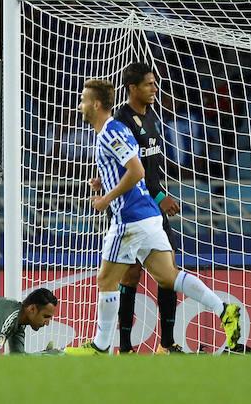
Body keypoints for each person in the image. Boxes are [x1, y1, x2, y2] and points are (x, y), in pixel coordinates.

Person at [64, 79, 241, 355]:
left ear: (96, 104)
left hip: (129, 219)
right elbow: (126, 168)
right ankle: (224, 310)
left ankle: (100, 346)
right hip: (148, 216)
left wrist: (106, 199)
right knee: (169, 277)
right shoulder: (117, 129)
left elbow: (137, 172)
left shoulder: (110, 133)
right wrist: (105, 182)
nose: (80, 105)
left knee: (106, 280)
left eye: (84, 100)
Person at [109, 63, 183, 354]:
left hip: (152, 205)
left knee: (169, 272)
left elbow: (151, 167)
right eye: (149, 84)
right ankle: (125, 347)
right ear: (133, 88)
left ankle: (167, 343)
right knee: (130, 275)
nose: (154, 89)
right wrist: (160, 196)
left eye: (155, 83)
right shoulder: (121, 121)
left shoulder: (151, 115)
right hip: (130, 209)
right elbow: (131, 172)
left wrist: (159, 194)